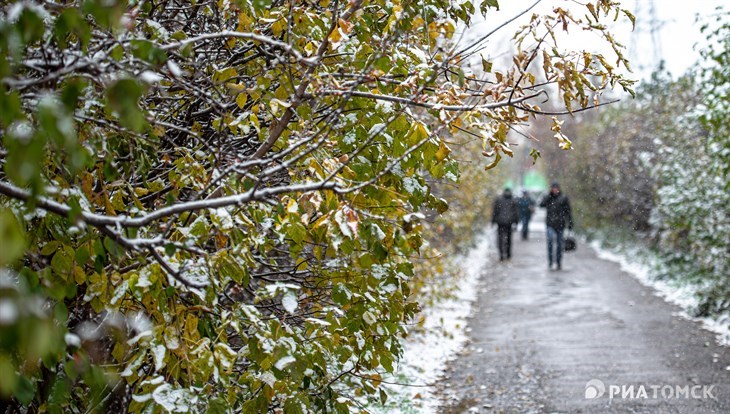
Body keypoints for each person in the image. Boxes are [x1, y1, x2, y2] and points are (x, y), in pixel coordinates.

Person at [539, 182, 573, 270]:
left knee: (559, 245)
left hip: (560, 224)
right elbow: (541, 205)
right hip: (550, 224)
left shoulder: (564, 198)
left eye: (556, 188)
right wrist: (548, 196)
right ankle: (550, 262)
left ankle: (558, 262)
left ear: (559, 188)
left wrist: (570, 223)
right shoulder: (549, 197)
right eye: (553, 188)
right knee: (550, 241)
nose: (555, 190)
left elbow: (568, 211)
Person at [491, 188, 519, 261]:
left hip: (500, 223)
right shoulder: (513, 200)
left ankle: (501, 255)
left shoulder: (499, 200)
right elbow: (516, 213)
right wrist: (516, 222)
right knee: (508, 239)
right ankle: (508, 254)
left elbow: (495, 211)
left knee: (500, 239)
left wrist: (493, 221)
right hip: (509, 222)